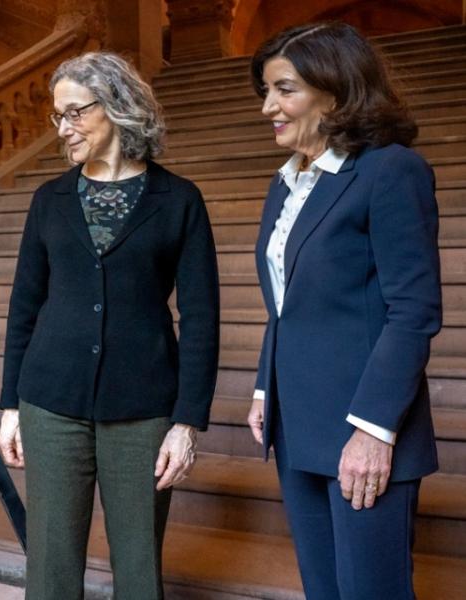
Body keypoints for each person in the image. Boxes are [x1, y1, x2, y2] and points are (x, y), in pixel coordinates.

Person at [0, 52, 220, 599]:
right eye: (58, 117)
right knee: (49, 564)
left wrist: (186, 422)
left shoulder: (179, 201)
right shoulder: (48, 200)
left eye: (75, 112)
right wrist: (9, 407)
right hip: (50, 401)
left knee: (140, 565)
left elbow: (202, 317)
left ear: (118, 107)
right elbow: (25, 304)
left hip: (143, 407)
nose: (63, 129)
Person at [245, 22, 442, 599]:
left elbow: (413, 311)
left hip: (362, 426)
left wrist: (374, 430)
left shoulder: (389, 170)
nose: (267, 108)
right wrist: (264, 388)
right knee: (324, 590)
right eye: (266, 90)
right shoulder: (285, 184)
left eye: (284, 89)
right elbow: (286, 303)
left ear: (334, 91)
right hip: (296, 420)